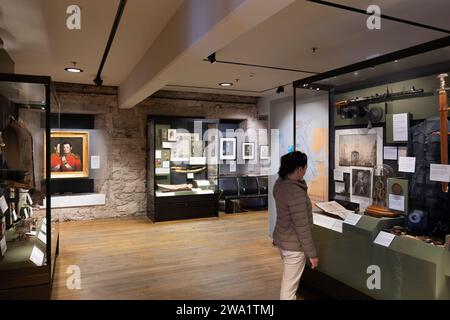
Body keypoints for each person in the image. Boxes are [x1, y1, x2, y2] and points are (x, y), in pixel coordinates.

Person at [272, 151, 318, 300]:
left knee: (288, 281)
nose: (305, 171)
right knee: (289, 289)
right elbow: (302, 227)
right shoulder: (295, 192)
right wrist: (312, 254)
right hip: (294, 248)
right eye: (305, 167)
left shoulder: (280, 184)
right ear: (299, 169)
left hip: (283, 241)